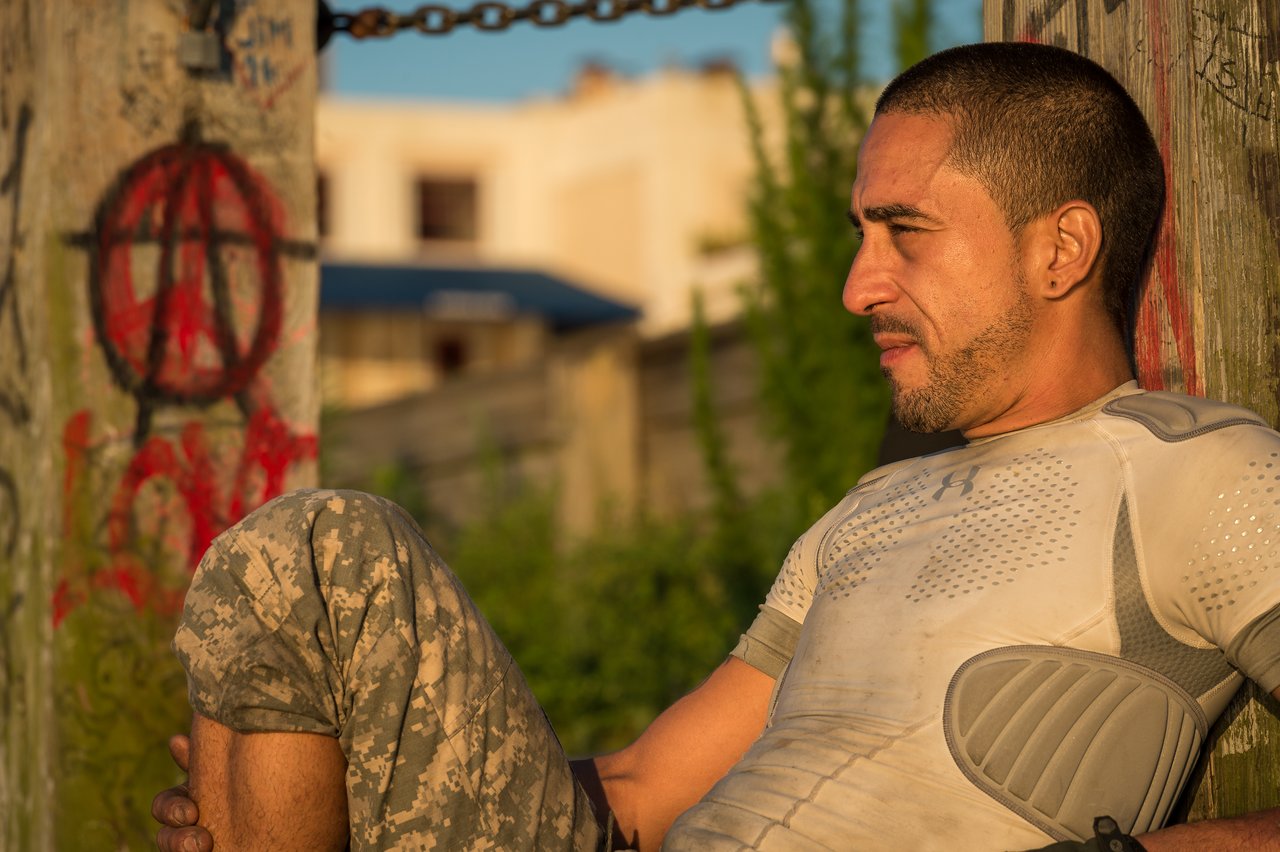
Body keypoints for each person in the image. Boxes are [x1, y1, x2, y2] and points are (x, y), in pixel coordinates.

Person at [153, 41, 1280, 851]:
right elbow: (642, 789)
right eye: (858, 235)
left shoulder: (1193, 476)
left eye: (905, 234)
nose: (855, 287)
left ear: (1060, 249)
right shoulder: (864, 515)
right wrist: (329, 790)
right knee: (300, 552)